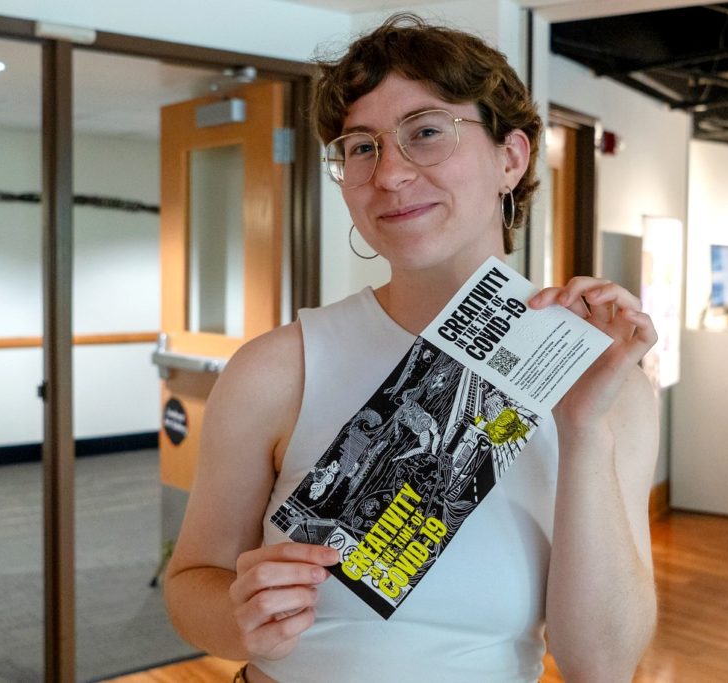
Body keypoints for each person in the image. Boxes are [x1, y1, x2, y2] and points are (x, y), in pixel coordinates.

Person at [164, 13, 659, 683]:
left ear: (510, 157)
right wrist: (238, 613)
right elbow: (192, 581)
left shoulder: (607, 381)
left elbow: (601, 664)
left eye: (426, 132)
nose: (390, 174)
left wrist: (583, 429)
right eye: (361, 147)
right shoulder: (279, 366)